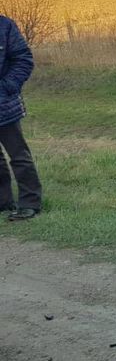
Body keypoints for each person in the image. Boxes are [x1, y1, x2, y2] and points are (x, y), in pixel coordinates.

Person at [0, 13, 43, 221]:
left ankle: (30, 203)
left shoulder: (5, 26)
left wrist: (7, 86)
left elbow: (23, 59)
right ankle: (3, 201)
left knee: (19, 155)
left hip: (4, 105)